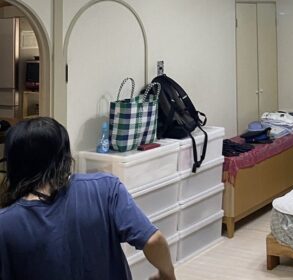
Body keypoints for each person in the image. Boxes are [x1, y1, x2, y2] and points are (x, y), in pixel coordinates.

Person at [0, 117, 176, 280]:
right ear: (64, 156)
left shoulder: (6, 224)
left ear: (13, 165)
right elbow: (154, 240)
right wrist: (167, 274)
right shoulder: (105, 188)